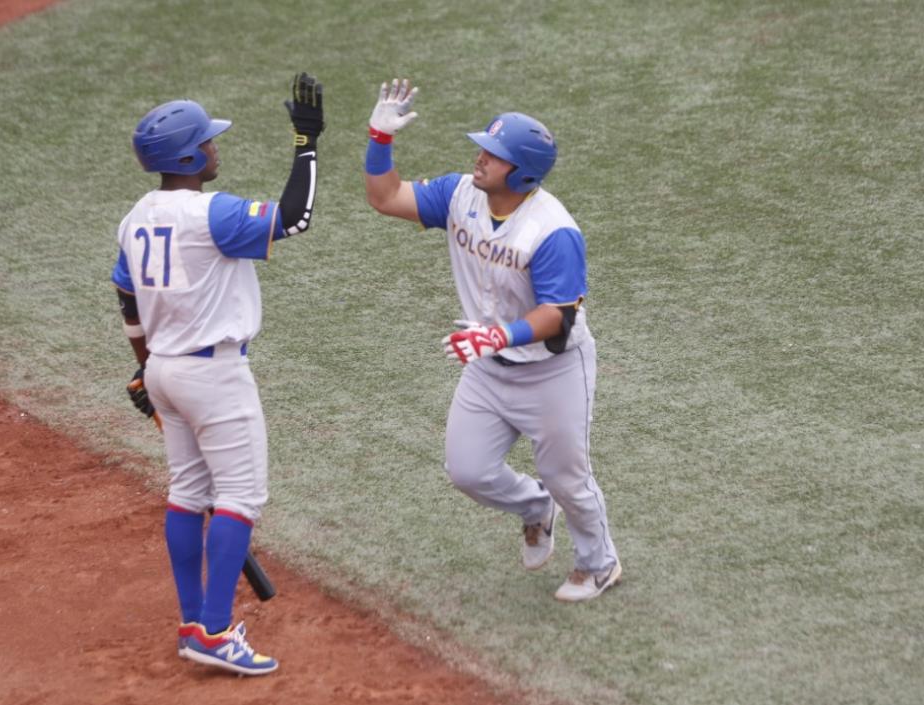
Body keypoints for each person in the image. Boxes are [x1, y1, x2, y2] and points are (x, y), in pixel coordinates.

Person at [362, 79, 621, 602]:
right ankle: (533, 506)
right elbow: (385, 197)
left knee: (568, 477)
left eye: (493, 154)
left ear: (521, 172)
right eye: (484, 148)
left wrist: (498, 334)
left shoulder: (552, 231)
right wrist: (378, 138)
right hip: (487, 362)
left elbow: (558, 313)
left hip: (553, 372)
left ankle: (599, 563)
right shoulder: (461, 195)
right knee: (467, 470)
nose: (479, 158)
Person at [112, 73, 324, 675]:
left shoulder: (135, 218)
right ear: (186, 156)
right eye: (207, 142)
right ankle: (211, 631)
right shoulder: (211, 215)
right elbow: (294, 218)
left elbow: (126, 296)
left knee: (187, 493)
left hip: (165, 373)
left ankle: (192, 622)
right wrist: (306, 144)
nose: (215, 148)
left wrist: (143, 369)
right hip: (214, 376)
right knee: (239, 496)